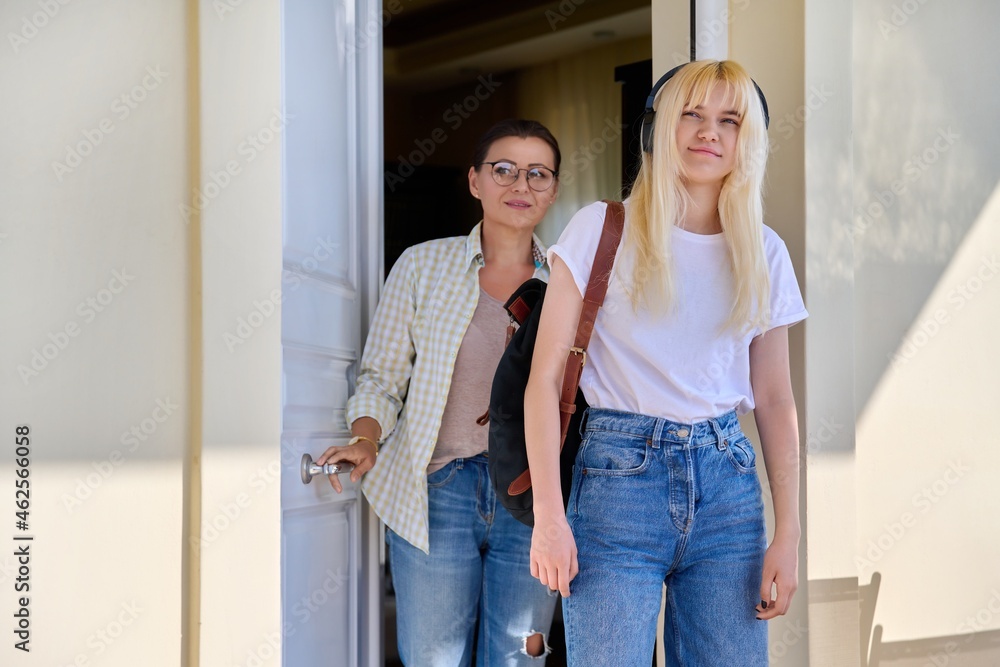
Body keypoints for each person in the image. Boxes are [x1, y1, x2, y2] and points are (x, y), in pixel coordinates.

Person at [524, 60, 808, 666]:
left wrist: (789, 532)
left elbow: (775, 399)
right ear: (659, 127)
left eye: (729, 120)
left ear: (748, 140)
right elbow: (544, 381)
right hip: (617, 484)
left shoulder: (764, 251)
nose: (709, 132)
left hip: (728, 490)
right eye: (692, 114)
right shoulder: (602, 228)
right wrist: (548, 514)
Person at [318, 119, 562, 666]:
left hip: (534, 496)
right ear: (475, 181)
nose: (520, 185)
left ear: (553, 189)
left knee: (519, 658)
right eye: (504, 169)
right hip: (438, 489)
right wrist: (366, 439)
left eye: (538, 174)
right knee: (434, 658)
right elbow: (382, 378)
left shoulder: (567, 282)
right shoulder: (422, 265)